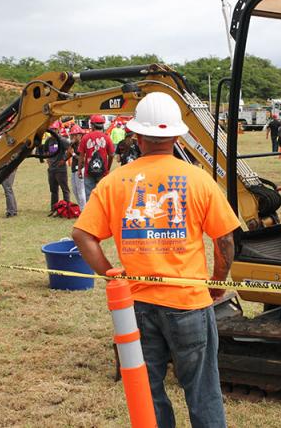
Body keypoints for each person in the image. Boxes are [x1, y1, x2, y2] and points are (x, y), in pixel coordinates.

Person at [72, 92, 240, 428]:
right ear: (177, 136)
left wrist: (112, 276)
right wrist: (217, 284)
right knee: (202, 390)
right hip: (189, 302)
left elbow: (82, 235)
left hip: (135, 305)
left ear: (136, 135)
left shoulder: (113, 183)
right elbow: (225, 240)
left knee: (147, 390)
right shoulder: (198, 179)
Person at [77, 114, 115, 201]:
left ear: (92, 125)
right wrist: (107, 168)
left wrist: (79, 169)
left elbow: (81, 156)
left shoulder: (85, 137)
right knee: (102, 196)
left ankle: (91, 213)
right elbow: (112, 155)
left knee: (89, 197)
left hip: (88, 172)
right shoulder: (107, 138)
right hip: (102, 172)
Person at [44, 121, 71, 210]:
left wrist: (64, 160)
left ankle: (67, 207)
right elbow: (45, 151)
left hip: (61, 170)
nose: (53, 131)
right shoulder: (48, 140)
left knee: (65, 189)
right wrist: (48, 159)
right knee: (53, 190)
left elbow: (71, 149)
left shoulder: (62, 140)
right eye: (51, 129)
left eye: (54, 129)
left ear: (58, 130)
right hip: (51, 169)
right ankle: (54, 207)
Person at [67, 125, 87, 208]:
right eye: (72, 135)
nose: (73, 137)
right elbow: (67, 155)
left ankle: (84, 209)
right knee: (75, 190)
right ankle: (81, 207)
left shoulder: (83, 144)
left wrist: (73, 154)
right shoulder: (73, 145)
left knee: (80, 190)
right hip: (74, 169)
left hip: (81, 169)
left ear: (80, 135)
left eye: (76, 135)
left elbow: (83, 159)